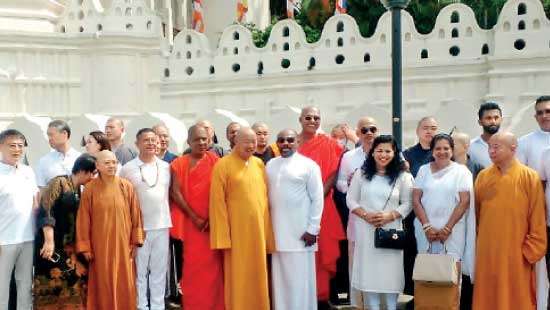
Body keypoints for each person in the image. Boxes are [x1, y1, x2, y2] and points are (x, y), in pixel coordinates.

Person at [473, 132, 547, 310]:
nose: (491, 151)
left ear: (513, 148)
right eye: (489, 147)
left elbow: (537, 219)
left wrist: (529, 252)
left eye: (496, 147)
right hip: (487, 254)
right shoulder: (483, 177)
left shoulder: (530, 177)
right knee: (487, 298)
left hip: (516, 254)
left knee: (516, 299)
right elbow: (476, 216)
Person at [209, 127, 275, 310]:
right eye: (247, 141)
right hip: (236, 232)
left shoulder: (259, 164)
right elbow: (217, 203)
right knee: (238, 275)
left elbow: (265, 199)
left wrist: (268, 232)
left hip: (259, 231)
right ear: (235, 142)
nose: (252, 145)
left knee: (259, 273)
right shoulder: (223, 165)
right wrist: (223, 236)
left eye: (254, 141)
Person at [346, 135, 413, 310]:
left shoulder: (403, 176)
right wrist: (365, 215)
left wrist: (390, 216)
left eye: (388, 151)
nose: (383, 155)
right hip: (366, 231)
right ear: (372, 152)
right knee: (370, 278)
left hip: (391, 232)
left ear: (395, 153)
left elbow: (409, 203)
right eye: (379, 151)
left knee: (390, 278)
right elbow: (351, 200)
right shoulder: (361, 174)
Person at [76, 150, 144, 310]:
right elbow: (83, 219)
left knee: (125, 282)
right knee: (103, 282)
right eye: (107, 163)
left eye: (114, 162)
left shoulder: (126, 186)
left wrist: (136, 241)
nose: (111, 165)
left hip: (123, 246)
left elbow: (136, 214)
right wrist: (85, 247)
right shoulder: (90, 189)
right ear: (97, 166)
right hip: (100, 247)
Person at [413, 134, 476, 302]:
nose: (442, 152)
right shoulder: (423, 170)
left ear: (452, 150)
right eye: (438, 148)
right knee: (427, 273)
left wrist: (447, 228)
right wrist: (426, 226)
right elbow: (416, 200)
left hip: (453, 231)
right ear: (432, 151)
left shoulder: (461, 171)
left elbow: (464, 202)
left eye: (446, 148)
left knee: (451, 274)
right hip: (425, 230)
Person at [267, 129, 324, 310]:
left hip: (301, 234)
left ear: (297, 142)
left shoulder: (309, 165)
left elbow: (318, 199)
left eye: (290, 140)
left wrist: (312, 229)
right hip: (277, 233)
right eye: (281, 140)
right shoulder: (270, 165)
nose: (285, 144)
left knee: (300, 281)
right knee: (280, 281)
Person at [296, 106, 346, 305]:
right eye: (308, 117)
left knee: (323, 250)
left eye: (316, 117)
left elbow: (333, 173)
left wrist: (316, 198)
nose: (312, 120)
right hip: (297, 209)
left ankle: (322, 296)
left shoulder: (327, 143)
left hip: (322, 206)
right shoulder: (292, 142)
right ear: (300, 119)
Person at [170, 125, 224, 309]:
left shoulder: (215, 160)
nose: (201, 143)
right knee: (192, 268)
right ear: (189, 142)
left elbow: (220, 191)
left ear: (209, 141)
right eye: (197, 139)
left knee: (214, 269)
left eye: (204, 139)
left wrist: (210, 216)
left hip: (212, 225)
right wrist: (195, 217)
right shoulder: (179, 163)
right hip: (192, 225)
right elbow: (175, 193)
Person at [34, 154, 96, 308]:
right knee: (51, 286)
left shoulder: (79, 189)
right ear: (82, 171)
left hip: (69, 248)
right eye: (92, 173)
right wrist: (49, 241)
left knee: (73, 284)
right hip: (52, 245)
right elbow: (46, 210)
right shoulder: (58, 183)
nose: (92, 178)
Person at [120, 128, 172, 310]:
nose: (151, 143)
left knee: (159, 272)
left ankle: (158, 306)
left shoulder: (167, 167)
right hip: (139, 228)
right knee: (139, 272)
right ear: (137, 144)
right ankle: (141, 306)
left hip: (163, 225)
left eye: (153, 140)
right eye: (146, 140)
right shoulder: (127, 169)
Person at [335, 116, 379, 305]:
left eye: (372, 129)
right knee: (357, 262)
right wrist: (350, 183)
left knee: (381, 263)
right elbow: (340, 183)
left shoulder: (390, 151)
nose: (369, 133)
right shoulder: (349, 157)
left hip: (383, 217)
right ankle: (358, 303)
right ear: (358, 133)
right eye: (364, 130)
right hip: (358, 216)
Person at [517, 95, 550, 310]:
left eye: (548, 111)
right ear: (535, 116)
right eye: (540, 112)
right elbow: (524, 182)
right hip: (540, 220)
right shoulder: (525, 142)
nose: (545, 115)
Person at [0, 129, 39, 310]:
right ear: (1, 147)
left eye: (20, 146)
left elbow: (35, 201)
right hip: (4, 241)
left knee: (25, 287)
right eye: (12, 145)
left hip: (27, 239)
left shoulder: (28, 171)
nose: (17, 149)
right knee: (1, 288)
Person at [401, 116, 438, 303]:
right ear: (417, 131)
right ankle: (416, 297)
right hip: (412, 214)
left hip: (436, 214)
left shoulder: (440, 153)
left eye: (433, 128)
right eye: (425, 128)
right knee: (413, 257)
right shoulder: (407, 155)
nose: (429, 131)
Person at [451, 131, 482, 310]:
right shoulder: (444, 168)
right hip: (451, 227)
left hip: (472, 225)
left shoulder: (478, 168)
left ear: (466, 146)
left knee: (470, 267)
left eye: (454, 145)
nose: (450, 149)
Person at [35, 120, 81, 188]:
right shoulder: (43, 161)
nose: (49, 139)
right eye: (48, 135)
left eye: (51, 135)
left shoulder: (80, 158)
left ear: (64, 134)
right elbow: (40, 189)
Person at [468, 102, 503, 168]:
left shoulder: (511, 145)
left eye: (496, 118)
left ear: (501, 120)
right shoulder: (471, 147)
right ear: (480, 122)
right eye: (488, 118)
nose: (493, 121)